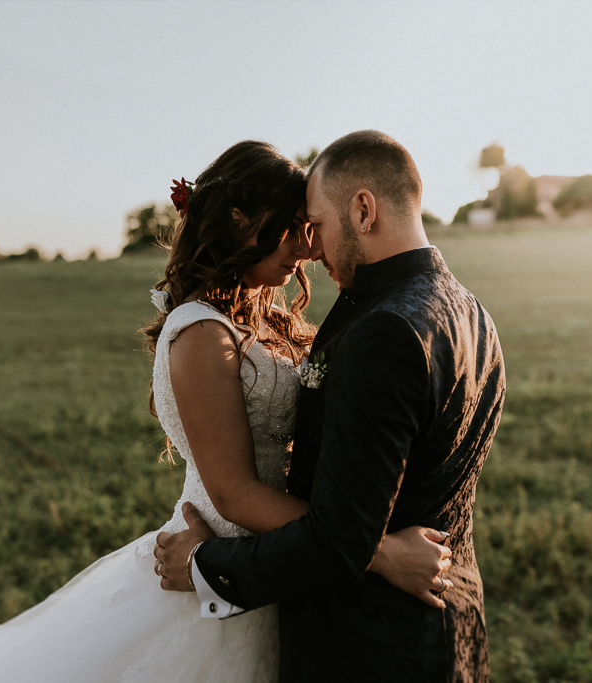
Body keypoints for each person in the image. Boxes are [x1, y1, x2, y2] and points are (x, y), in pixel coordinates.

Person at [0, 140, 447, 683]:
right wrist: (380, 552)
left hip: (283, 567)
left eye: (310, 228)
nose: (307, 249)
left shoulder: (267, 318)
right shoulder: (201, 333)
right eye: (292, 228)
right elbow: (234, 493)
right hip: (215, 560)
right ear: (238, 220)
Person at [155, 130, 507, 683]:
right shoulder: (474, 312)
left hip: (372, 645)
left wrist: (205, 565)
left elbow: (339, 541)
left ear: (363, 210)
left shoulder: (383, 331)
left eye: (314, 227)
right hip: (450, 631)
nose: (310, 250)